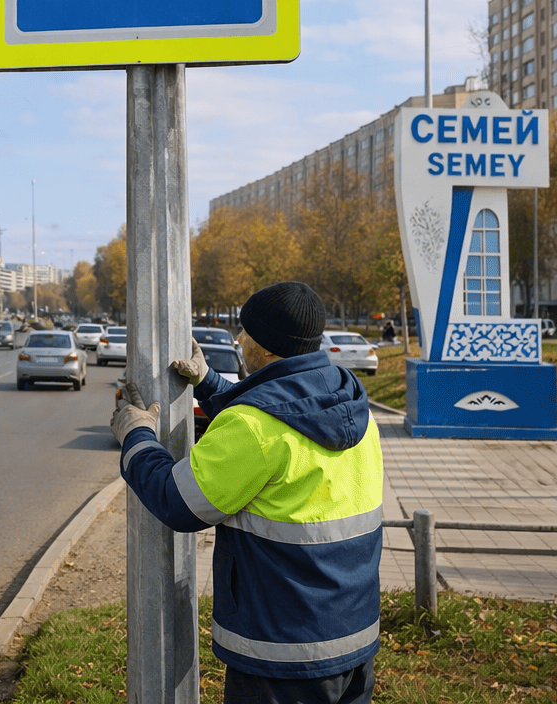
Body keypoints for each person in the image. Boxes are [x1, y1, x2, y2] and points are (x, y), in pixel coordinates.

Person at [111, 282, 384, 704]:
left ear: (269, 349)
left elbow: (177, 502)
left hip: (283, 655)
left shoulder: (253, 426)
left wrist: (137, 436)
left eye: (245, 333)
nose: (238, 340)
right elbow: (284, 412)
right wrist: (209, 383)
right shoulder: (348, 404)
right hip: (353, 638)